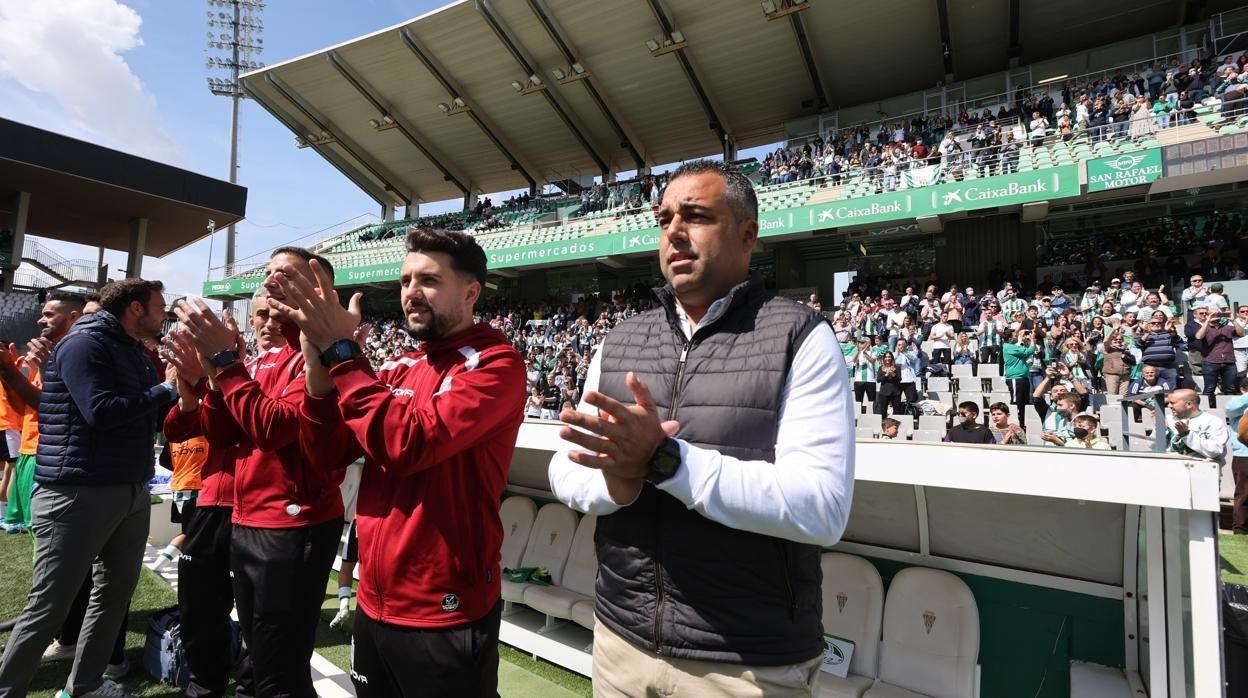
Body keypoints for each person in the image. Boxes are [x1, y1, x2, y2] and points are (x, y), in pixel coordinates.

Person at [548, 160, 854, 695]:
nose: (674, 232)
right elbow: (563, 467)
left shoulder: (801, 336)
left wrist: (668, 462)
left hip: (744, 664)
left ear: (747, 234)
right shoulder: (619, 339)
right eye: (664, 218)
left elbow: (822, 509)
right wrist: (617, 483)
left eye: (695, 216)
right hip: (621, 640)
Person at [272, 228, 526, 697]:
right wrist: (317, 370)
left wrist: (344, 356)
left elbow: (405, 444)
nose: (411, 291)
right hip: (375, 601)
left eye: (429, 280)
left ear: (471, 292)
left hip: (445, 609)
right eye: (406, 279)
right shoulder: (399, 366)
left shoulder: (497, 365)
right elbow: (327, 455)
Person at [173, 248, 349, 698]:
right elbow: (223, 434)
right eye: (268, 273)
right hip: (248, 519)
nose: (271, 281)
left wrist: (226, 366)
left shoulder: (320, 353)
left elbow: (272, 429)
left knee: (278, 672)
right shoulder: (260, 361)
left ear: (318, 289)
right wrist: (212, 375)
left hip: (294, 522)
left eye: (283, 275)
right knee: (261, 659)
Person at [0, 280, 175, 698]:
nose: (164, 315)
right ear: (136, 308)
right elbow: (100, 412)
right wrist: (165, 388)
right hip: (78, 491)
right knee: (49, 605)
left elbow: (146, 413)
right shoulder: (84, 345)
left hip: (129, 487)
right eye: (159, 307)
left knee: (114, 594)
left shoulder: (132, 349)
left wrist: (179, 386)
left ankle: (86, 685)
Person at [1164, 388, 1229, 463]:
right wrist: (1160, 428)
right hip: (1170, 467)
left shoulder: (1213, 421)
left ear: (1189, 404)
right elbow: (1154, 447)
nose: (1169, 406)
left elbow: (1215, 451)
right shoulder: (1168, 419)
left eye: (1172, 403)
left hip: (1201, 469)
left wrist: (1186, 434)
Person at [1194, 307, 1243, 397]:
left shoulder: (1228, 328)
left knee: (1231, 388)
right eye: (1212, 314)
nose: (1215, 316)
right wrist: (1207, 321)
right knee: (1209, 388)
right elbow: (1198, 336)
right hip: (1210, 362)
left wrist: (1234, 321)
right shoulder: (1205, 328)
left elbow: (1241, 333)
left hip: (1229, 362)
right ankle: (1208, 409)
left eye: (1218, 314)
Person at [1225, 377, 1248, 534]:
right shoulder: (1236, 403)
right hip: (1244, 454)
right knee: (1244, 494)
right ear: (1243, 389)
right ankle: (1240, 531)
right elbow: (1229, 410)